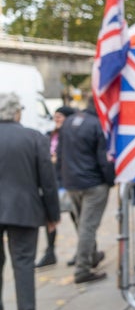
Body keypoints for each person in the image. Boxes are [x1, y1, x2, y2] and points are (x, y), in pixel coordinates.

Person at [0, 92, 60, 310]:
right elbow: (48, 181)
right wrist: (52, 214)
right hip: (24, 209)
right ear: (17, 112)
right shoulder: (33, 138)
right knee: (23, 265)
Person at [57, 97, 115, 284]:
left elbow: (59, 154)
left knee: (83, 224)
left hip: (72, 182)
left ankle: (91, 256)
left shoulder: (69, 123)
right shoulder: (97, 124)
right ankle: (82, 268)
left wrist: (63, 178)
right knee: (87, 226)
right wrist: (110, 181)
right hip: (93, 183)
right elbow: (103, 158)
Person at [35, 105, 76, 268]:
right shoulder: (48, 135)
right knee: (50, 218)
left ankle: (87, 250)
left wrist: (57, 159)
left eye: (61, 116)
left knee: (77, 217)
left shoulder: (72, 135)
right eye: (55, 116)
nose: (57, 119)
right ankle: (50, 252)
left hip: (68, 181)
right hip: (52, 182)